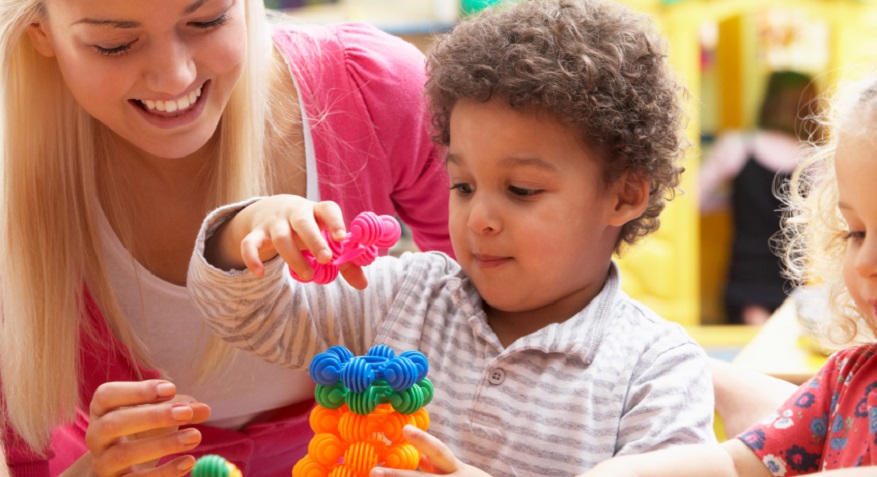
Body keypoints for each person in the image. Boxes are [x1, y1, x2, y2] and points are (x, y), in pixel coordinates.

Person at [186, 0, 716, 475]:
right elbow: (249, 318)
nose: (478, 217)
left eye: (522, 190)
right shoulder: (405, 295)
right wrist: (250, 228)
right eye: (462, 185)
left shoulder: (658, 369)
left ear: (624, 196)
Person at [0, 0, 454, 475]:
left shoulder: (372, 90)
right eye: (114, 44)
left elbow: (506, 310)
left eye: (208, 20)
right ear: (42, 34)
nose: (174, 77)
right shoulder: (15, 173)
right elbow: (26, 454)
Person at [582, 76, 877, 477]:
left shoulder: (738, 148)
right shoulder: (846, 379)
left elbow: (700, 196)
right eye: (855, 232)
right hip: (769, 274)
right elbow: (735, 465)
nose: (864, 262)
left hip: (747, 269)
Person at [699, 71, 821, 325]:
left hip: (745, 280)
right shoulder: (816, 160)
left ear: (768, 101)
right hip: (796, 281)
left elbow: (691, 199)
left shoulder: (738, 147)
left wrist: (736, 199)